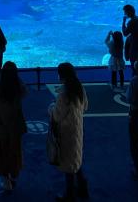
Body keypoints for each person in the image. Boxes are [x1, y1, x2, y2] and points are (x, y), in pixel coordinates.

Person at [48, 62, 89, 202]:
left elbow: (57, 115)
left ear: (61, 75)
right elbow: (85, 107)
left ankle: (69, 195)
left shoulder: (63, 94)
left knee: (68, 162)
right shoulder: (79, 88)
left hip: (65, 132)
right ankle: (83, 187)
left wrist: (51, 107)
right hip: (77, 128)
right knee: (76, 157)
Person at [0, 61, 27, 192]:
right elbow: (25, 90)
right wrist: (15, 78)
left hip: (0, 127)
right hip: (15, 126)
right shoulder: (19, 89)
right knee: (14, 151)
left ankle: (6, 180)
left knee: (1, 152)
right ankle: (13, 175)